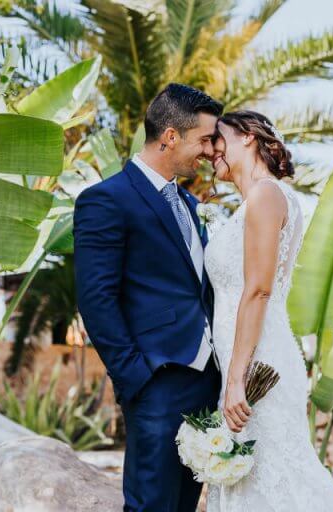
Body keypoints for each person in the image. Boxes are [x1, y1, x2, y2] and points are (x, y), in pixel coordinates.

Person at [74, 83, 223, 512]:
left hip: (204, 382)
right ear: (171, 136)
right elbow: (96, 298)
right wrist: (135, 378)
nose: (210, 151)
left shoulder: (191, 205)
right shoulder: (106, 200)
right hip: (155, 382)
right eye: (204, 139)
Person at [204, 110, 333, 511]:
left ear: (248, 138)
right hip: (246, 360)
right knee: (251, 482)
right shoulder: (257, 200)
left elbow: (258, 291)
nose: (210, 150)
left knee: (278, 478)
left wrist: (237, 378)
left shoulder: (265, 195)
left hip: (257, 368)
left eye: (218, 138)